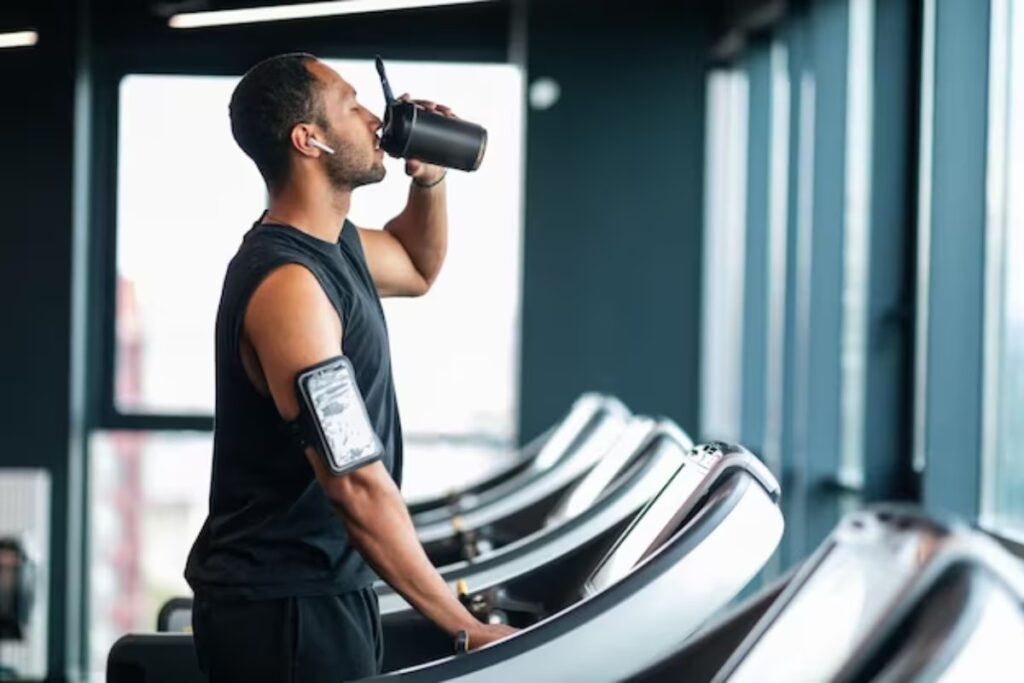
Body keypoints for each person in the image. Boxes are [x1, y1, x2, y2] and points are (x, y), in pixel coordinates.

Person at [183, 52, 517, 682]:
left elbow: (419, 268)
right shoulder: (289, 287)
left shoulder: (338, 246)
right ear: (309, 140)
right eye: (352, 103)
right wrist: (463, 626)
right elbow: (354, 481)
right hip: (284, 609)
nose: (374, 118)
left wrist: (428, 179)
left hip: (324, 587)